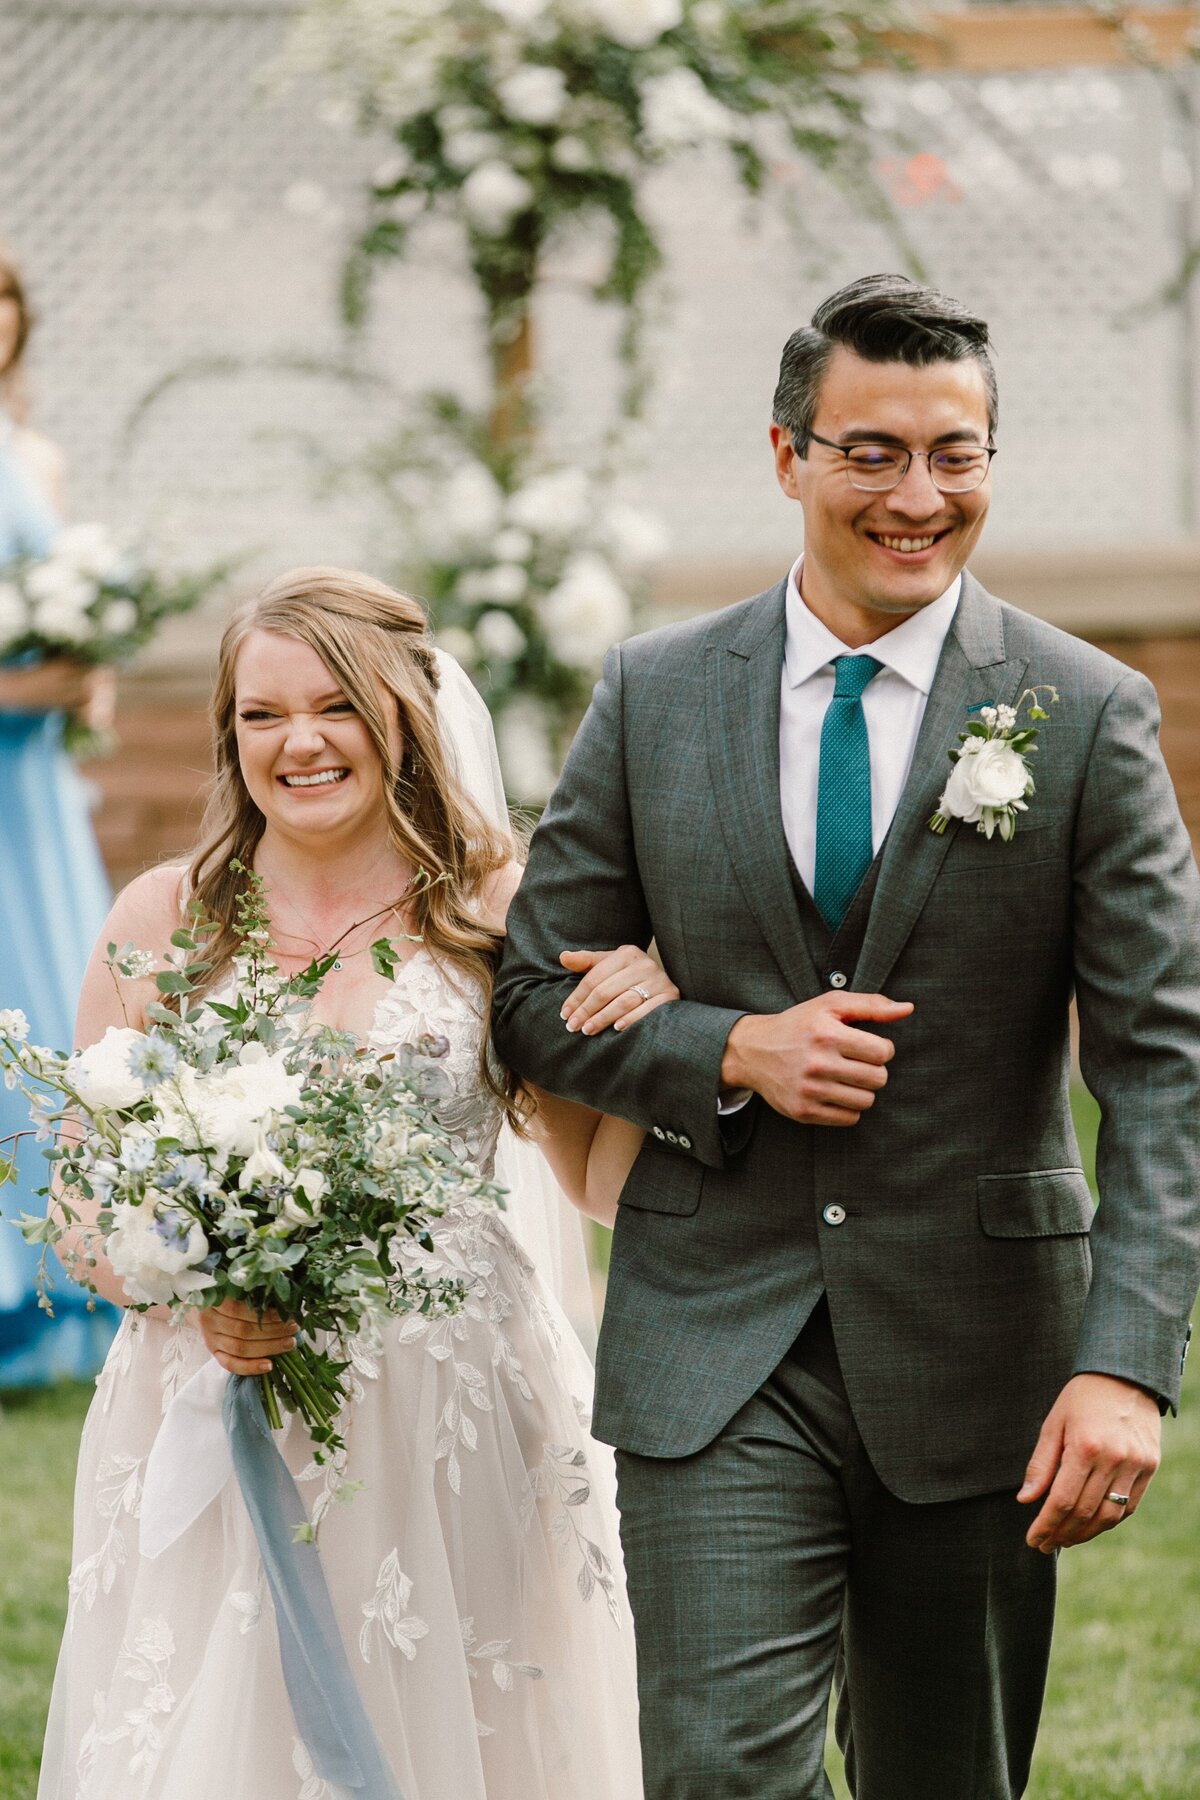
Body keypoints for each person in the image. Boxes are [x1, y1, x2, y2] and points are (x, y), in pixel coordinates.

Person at [492, 273, 1200, 1799]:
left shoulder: (1085, 716)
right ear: (787, 456)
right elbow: (530, 1000)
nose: (918, 494)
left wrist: (1129, 1367)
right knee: (719, 1776)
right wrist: (727, 1051)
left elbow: (1162, 1068)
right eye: (873, 451)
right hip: (712, 1342)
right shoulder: (655, 696)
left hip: (983, 1354)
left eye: (958, 453)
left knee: (945, 1779)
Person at [36, 567, 659, 1800]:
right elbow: (79, 1208)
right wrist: (183, 1286)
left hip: (450, 1410)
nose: (299, 742)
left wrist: (650, 1037)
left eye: (335, 707)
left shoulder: (499, 908)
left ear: (403, 719)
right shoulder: (164, 921)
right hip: (210, 1393)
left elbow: (590, 1177)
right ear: (231, 736)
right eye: (261, 715)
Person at [0, 243, 115, 1386]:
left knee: (52, 1008)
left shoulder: (38, 457)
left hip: (32, 786)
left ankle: (59, 1279)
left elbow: (74, 614)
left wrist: (92, 676)